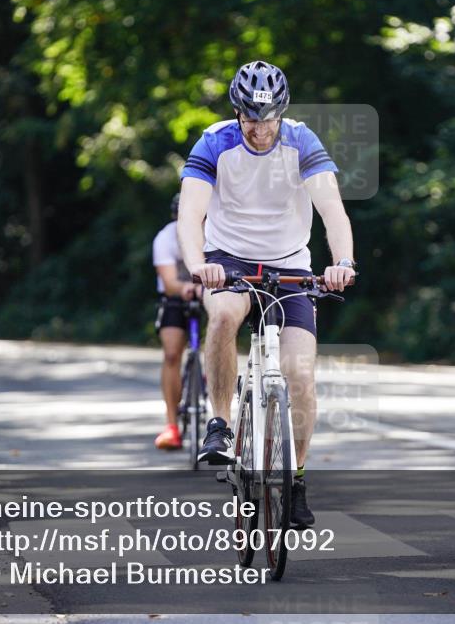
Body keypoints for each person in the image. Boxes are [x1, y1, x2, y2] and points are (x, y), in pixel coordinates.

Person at [177, 60, 356, 529]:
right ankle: (219, 423)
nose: (261, 129)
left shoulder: (301, 141)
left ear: (282, 112)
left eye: (270, 118)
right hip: (227, 260)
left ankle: (295, 480)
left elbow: (332, 209)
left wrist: (342, 263)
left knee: (299, 374)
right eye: (253, 119)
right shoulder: (215, 142)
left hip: (289, 264)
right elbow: (190, 213)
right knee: (222, 318)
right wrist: (199, 264)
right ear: (238, 113)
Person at [152, 193, 200, 450]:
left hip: (208, 294)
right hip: (175, 297)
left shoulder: (214, 233)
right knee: (172, 353)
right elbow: (170, 283)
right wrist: (187, 288)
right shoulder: (165, 238)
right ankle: (171, 424)